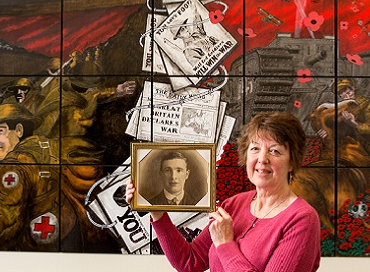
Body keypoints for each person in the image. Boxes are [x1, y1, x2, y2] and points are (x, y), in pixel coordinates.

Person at [126, 111, 321, 272]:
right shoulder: (233, 205)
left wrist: (225, 245)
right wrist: (156, 212)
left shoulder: (302, 219)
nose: (262, 159)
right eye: (255, 148)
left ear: (292, 162)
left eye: (275, 151)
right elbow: (190, 262)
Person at [0, 103, 107, 252]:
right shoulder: (47, 145)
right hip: (74, 231)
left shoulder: (13, 166)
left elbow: (6, 222)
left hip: (41, 245)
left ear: (18, 130)